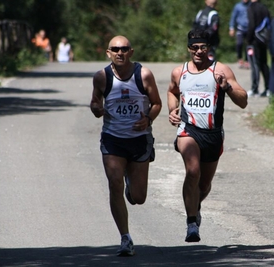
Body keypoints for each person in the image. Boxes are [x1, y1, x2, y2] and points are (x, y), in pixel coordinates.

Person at [167, 29, 247, 242]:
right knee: (193, 171)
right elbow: (172, 92)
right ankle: (192, 222)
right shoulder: (180, 72)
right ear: (188, 48)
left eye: (203, 47)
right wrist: (172, 110)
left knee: (204, 185)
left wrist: (227, 87)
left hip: (212, 135)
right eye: (194, 47)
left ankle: (196, 205)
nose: (199, 51)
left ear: (208, 48)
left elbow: (243, 101)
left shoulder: (220, 70)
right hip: (188, 130)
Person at [90, 35, 162, 256]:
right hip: (113, 139)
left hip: (139, 140)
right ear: (108, 52)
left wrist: (148, 119)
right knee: (114, 184)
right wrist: (97, 109)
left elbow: (157, 103)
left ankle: (132, 182)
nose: (119, 52)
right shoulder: (102, 77)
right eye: (115, 49)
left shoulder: (144, 75)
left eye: (124, 49)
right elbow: (95, 102)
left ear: (131, 52)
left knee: (139, 198)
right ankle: (125, 237)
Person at [246, 0, 270, 97]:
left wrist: (248, 39)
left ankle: (254, 88)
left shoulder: (251, 8)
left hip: (254, 40)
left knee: (255, 64)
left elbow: (251, 25)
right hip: (264, 39)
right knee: (264, 63)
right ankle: (268, 88)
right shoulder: (264, 8)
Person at [229, 0, 250, 69]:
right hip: (240, 28)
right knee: (239, 43)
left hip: (249, 29)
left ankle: (247, 60)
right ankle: (240, 58)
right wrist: (231, 28)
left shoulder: (251, 5)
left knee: (248, 45)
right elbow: (233, 17)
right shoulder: (238, 6)